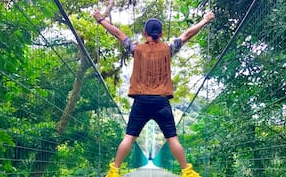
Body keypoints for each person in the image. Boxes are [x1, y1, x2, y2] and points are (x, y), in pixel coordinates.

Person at [92, 9, 215, 177]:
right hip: (161, 102)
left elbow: (118, 34)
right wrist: (205, 20)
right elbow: (187, 34)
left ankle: (114, 171)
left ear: (144, 33)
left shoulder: (136, 49)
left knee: (129, 137)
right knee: (172, 139)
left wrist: (101, 20)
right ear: (161, 33)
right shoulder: (168, 49)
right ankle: (187, 172)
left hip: (141, 101)